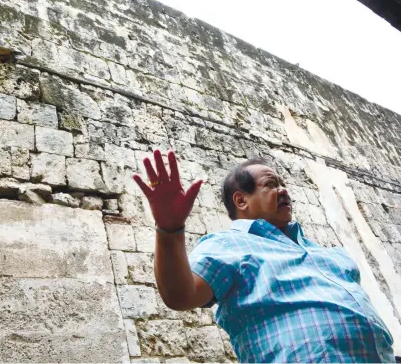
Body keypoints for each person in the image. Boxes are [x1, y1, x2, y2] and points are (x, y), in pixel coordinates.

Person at [133, 149, 395, 363]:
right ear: (241, 200)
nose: (284, 190)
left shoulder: (332, 255)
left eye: (283, 184)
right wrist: (169, 229)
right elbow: (180, 295)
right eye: (271, 185)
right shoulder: (228, 244)